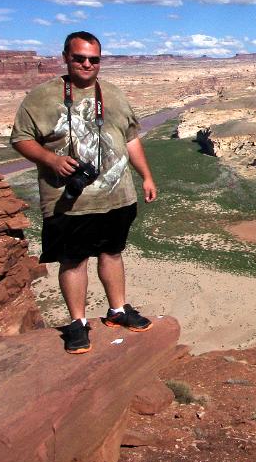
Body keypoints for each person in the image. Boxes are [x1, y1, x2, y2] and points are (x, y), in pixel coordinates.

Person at [11, 30, 158, 353]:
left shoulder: (115, 95)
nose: (87, 64)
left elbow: (131, 138)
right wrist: (50, 159)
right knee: (73, 259)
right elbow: (20, 138)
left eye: (94, 59)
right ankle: (77, 323)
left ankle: (117, 310)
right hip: (69, 201)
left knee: (112, 252)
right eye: (79, 58)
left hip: (117, 196)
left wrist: (146, 176)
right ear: (65, 57)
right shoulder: (42, 97)